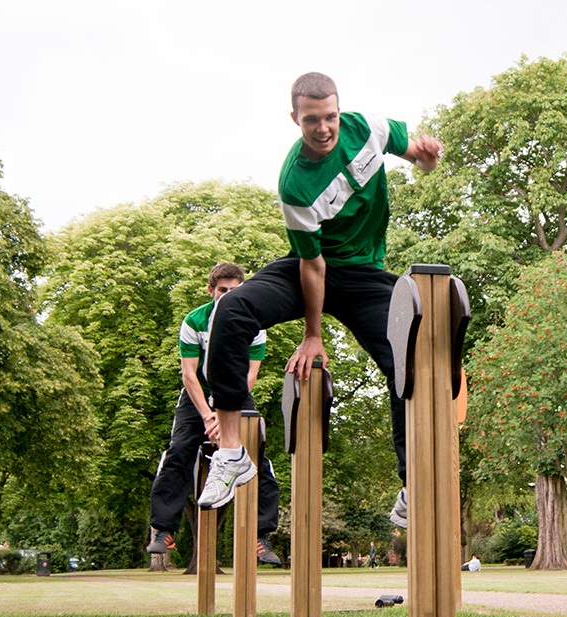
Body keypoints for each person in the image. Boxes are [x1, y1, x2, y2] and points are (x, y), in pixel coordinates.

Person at [197, 72, 443, 532]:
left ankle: (414, 483)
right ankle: (231, 455)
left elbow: (419, 159)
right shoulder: (295, 183)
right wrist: (314, 335)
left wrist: (426, 160)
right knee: (231, 311)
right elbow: (313, 268)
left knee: (411, 352)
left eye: (329, 116)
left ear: (339, 110)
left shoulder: (369, 128)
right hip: (308, 267)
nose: (324, 128)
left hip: (364, 275)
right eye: (312, 120)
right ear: (295, 118)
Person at [146, 263, 283, 566]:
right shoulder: (194, 321)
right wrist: (209, 416)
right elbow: (188, 375)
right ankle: (164, 530)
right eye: (222, 291)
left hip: (234, 393)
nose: (228, 296)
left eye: (235, 291)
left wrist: (226, 414)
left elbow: (249, 376)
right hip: (196, 398)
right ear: (211, 291)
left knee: (257, 454)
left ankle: (260, 535)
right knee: (179, 452)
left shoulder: (255, 325)